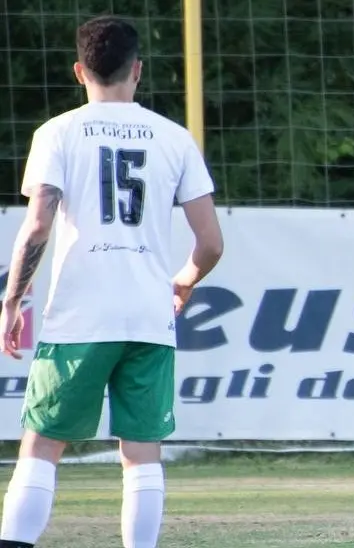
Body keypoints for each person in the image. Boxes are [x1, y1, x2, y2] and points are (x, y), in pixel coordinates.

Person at [0, 15, 224, 548]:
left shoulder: (57, 132)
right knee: (141, 450)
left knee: (44, 442)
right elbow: (211, 243)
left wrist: (12, 300)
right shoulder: (174, 138)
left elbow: (39, 224)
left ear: (80, 71)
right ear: (137, 70)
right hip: (148, 315)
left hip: (80, 314)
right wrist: (185, 282)